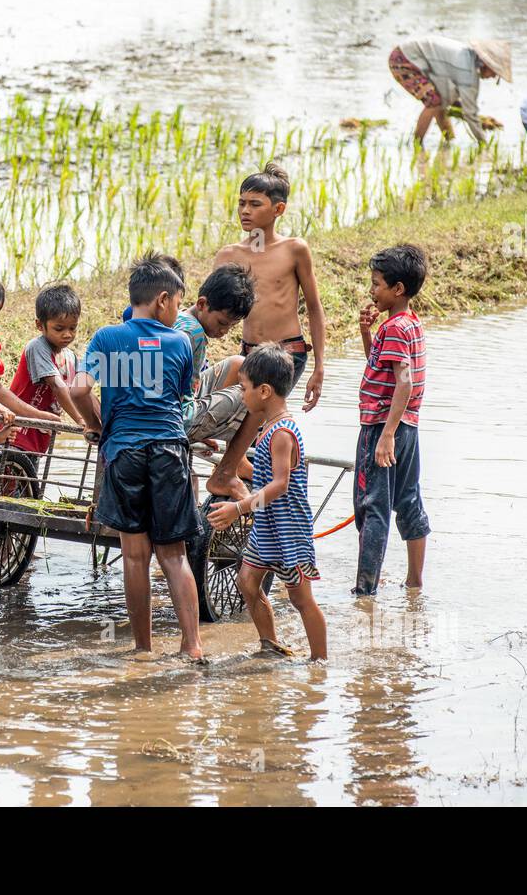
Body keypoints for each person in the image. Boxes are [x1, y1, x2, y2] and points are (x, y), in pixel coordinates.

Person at [71, 254, 204, 661]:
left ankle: (143, 647)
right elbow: (181, 396)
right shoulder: (181, 342)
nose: (178, 312)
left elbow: (77, 390)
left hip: (124, 451)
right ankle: (192, 646)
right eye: (179, 304)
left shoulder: (106, 338)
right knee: (174, 553)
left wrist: (97, 424)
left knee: (135, 555)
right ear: (163, 300)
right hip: (167, 449)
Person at [207, 163, 326, 499]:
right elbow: (210, 310)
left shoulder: (294, 249)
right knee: (240, 418)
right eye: (241, 203)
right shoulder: (229, 255)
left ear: (278, 209)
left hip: (287, 354)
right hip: (248, 353)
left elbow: (315, 308)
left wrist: (319, 367)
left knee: (259, 420)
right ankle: (242, 483)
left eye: (255, 204)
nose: (245, 210)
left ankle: (237, 481)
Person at [207, 343, 326, 660]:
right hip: (267, 525)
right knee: (247, 581)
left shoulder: (281, 433)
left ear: (264, 391)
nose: (241, 395)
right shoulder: (269, 429)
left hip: (288, 528)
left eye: (243, 388)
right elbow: (260, 471)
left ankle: (319, 662)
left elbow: (280, 484)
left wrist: (237, 507)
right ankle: (270, 644)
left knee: (301, 599)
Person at [354, 244, 432, 596]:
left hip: (383, 428)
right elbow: (382, 364)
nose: (372, 291)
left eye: (376, 284)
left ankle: (365, 591)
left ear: (397, 289)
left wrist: (385, 435)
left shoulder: (396, 329)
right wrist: (367, 333)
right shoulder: (407, 324)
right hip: (408, 428)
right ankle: (414, 581)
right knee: (408, 499)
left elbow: (405, 381)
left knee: (372, 507)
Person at [175, 263, 257, 447]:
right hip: (175, 420)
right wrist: (197, 427)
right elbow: (177, 396)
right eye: (222, 322)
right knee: (256, 393)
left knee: (239, 364)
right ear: (202, 304)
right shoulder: (193, 335)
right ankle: (230, 468)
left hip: (176, 406)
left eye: (231, 326)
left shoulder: (181, 317)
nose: (225, 331)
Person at [388, 36, 512, 144]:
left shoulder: (467, 57)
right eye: (495, 72)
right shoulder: (467, 71)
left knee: (440, 101)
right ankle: (417, 144)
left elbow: (451, 98)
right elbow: (470, 114)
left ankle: (449, 140)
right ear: (486, 65)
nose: (494, 77)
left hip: (411, 56)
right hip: (403, 60)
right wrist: (483, 143)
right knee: (433, 101)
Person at [9, 283, 86, 454]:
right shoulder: (37, 347)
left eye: (72, 328)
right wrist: (82, 420)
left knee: (29, 479)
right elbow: (57, 386)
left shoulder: (70, 357)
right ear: (39, 325)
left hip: (40, 435)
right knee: (10, 478)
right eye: (59, 328)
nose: (67, 334)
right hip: (17, 432)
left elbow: (79, 392)